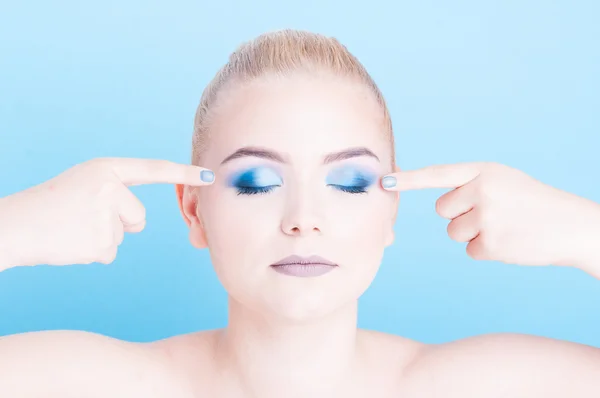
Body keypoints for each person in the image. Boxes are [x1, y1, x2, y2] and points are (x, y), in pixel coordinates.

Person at [0, 29, 599, 398]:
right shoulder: (94, 385)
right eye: (258, 182)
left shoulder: (476, 388)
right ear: (194, 212)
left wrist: (584, 232)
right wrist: (15, 229)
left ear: (390, 211)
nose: (303, 219)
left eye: (349, 181)